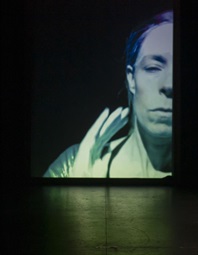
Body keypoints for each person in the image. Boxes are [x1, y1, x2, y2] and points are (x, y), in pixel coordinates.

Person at [43, 10, 173, 178]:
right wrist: (78, 186)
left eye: (180, 71)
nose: (169, 85)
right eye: (153, 68)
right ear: (131, 79)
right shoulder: (73, 164)